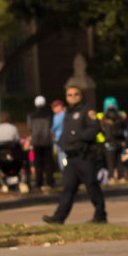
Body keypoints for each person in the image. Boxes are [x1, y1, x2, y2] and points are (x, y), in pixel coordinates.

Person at [42, 81, 107, 224]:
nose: (73, 97)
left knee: (91, 186)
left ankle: (100, 215)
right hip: (71, 158)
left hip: (84, 155)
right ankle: (59, 218)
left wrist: (78, 138)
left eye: (76, 94)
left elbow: (94, 128)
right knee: (68, 188)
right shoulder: (67, 114)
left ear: (81, 95)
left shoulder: (87, 110)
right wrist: (62, 143)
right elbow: (65, 133)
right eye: (69, 95)